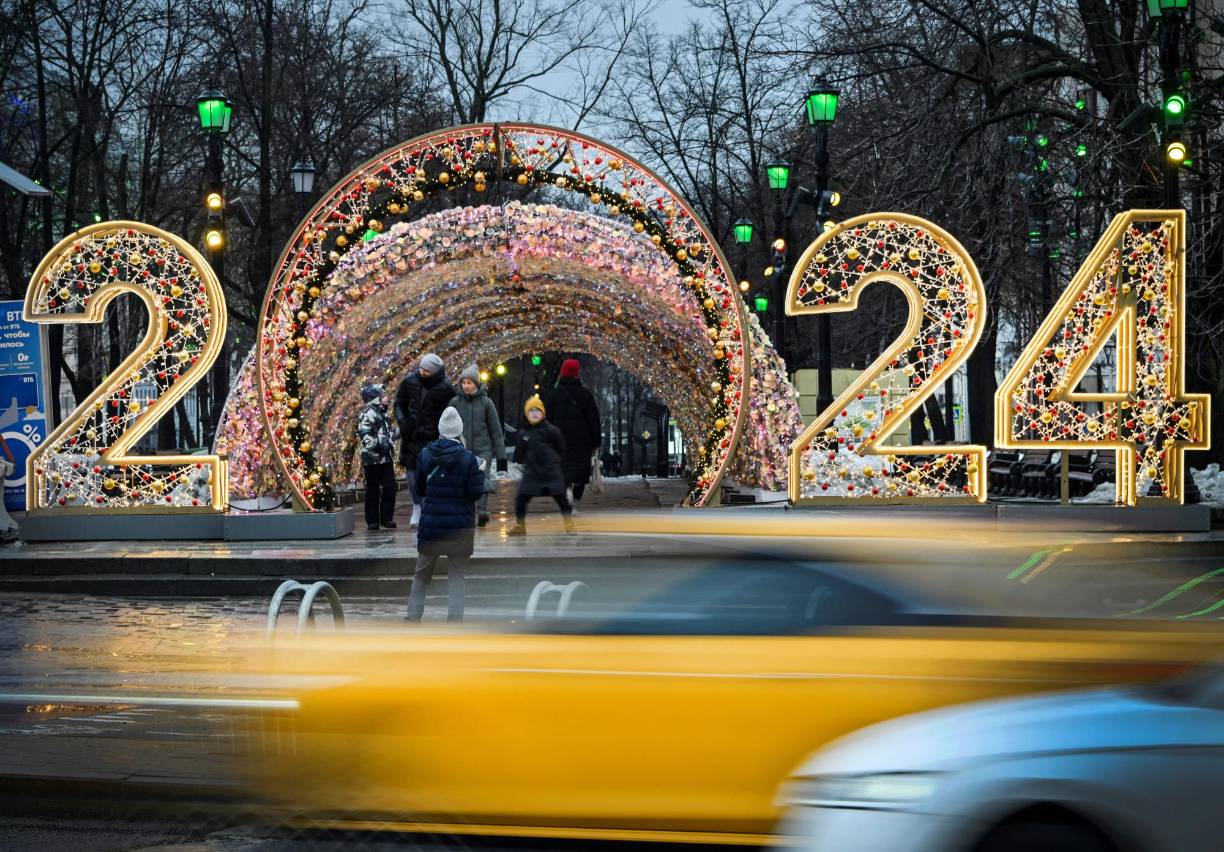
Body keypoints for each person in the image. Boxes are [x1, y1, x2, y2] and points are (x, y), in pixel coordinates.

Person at [406, 407, 485, 622]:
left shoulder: (425, 454)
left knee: (421, 575)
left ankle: (413, 618)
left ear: (440, 431)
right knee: (457, 577)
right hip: (459, 529)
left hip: (432, 526)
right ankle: (454, 621)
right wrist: (480, 474)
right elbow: (475, 493)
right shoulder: (469, 460)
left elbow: (420, 490)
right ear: (459, 431)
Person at [395, 352, 455, 527]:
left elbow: (449, 412)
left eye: (426, 371)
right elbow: (399, 403)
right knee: (412, 476)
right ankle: (417, 506)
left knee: (432, 476)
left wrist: (442, 431)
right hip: (411, 436)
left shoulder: (445, 389)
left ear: (435, 372)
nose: (422, 372)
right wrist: (403, 421)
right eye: (420, 368)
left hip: (432, 438)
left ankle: (429, 509)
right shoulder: (409, 382)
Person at [508, 396, 573, 536]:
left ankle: (569, 525)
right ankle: (520, 526)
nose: (535, 413)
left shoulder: (551, 430)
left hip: (551, 471)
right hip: (532, 473)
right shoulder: (524, 433)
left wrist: (556, 461)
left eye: (537, 410)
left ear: (543, 413)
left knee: (562, 499)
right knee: (521, 499)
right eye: (531, 410)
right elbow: (519, 453)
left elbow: (561, 447)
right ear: (527, 414)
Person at [451, 364, 507, 527]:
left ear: (476, 383)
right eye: (464, 382)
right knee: (463, 481)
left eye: (469, 382)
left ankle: (482, 510)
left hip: (483, 449)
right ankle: (467, 510)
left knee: (481, 478)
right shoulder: (455, 403)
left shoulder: (486, 403)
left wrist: (501, 457)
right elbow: (447, 425)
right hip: (462, 449)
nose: (466, 386)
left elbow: (496, 430)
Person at [544, 358, 602, 514]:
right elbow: (593, 419)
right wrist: (596, 442)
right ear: (577, 374)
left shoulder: (554, 395)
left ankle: (566, 494)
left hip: (559, 441)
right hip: (582, 442)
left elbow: (547, 419)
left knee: (564, 471)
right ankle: (575, 501)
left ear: (562, 373)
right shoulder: (585, 395)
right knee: (580, 473)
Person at [356, 383, 397, 531]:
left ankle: (387, 517)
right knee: (373, 489)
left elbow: (387, 434)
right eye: (383, 396)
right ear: (374, 399)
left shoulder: (384, 415)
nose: (387, 398)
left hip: (386, 459)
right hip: (372, 459)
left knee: (390, 487)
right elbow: (365, 436)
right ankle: (372, 520)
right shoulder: (367, 414)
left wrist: (392, 440)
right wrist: (381, 445)